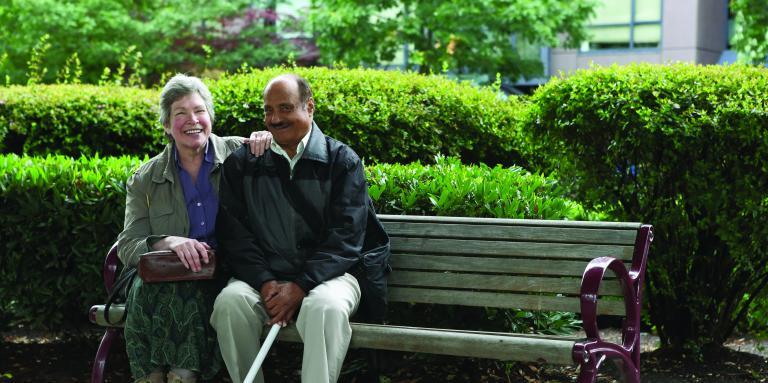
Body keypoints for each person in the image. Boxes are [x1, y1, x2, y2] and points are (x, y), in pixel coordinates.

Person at [211, 74, 369, 383]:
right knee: (229, 304)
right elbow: (234, 234)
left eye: (285, 108)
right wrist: (265, 282)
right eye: (268, 110)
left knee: (326, 308)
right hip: (264, 277)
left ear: (309, 108)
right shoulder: (243, 164)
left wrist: (300, 285)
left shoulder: (342, 162)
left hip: (329, 278)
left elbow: (346, 238)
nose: (275, 118)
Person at [117, 74, 272, 383]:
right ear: (166, 125)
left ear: (210, 117)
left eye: (199, 110)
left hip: (226, 272)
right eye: (180, 113)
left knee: (181, 294)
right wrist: (168, 242)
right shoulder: (145, 179)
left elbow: (289, 156)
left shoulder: (240, 156)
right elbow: (127, 246)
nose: (193, 120)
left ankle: (170, 375)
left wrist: (266, 139)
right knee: (156, 288)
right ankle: (169, 376)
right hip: (167, 279)